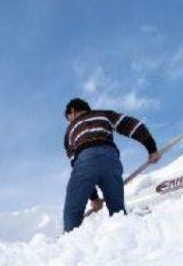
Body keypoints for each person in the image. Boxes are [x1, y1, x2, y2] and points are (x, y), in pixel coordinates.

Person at [62, 98, 161, 232]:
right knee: (117, 211)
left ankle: (69, 239)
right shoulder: (103, 114)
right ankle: (123, 236)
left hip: (85, 159)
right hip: (111, 160)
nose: (70, 121)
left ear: (72, 112)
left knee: (73, 208)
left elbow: (76, 164)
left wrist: (95, 198)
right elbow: (133, 126)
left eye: (69, 118)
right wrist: (152, 149)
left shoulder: (70, 131)